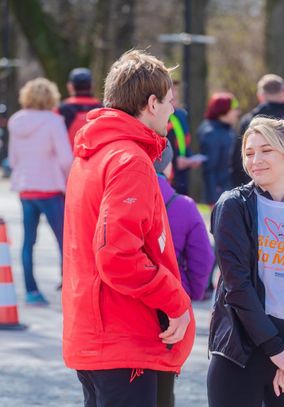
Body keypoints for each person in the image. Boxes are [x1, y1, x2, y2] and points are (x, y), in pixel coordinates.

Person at [62, 50, 195, 407]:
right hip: (125, 338)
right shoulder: (129, 159)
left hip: (98, 335)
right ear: (151, 103)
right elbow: (117, 256)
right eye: (169, 102)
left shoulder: (92, 154)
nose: (172, 111)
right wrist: (176, 301)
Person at [207, 118, 284, 407]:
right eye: (249, 153)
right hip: (241, 349)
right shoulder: (233, 206)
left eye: (266, 150)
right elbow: (237, 286)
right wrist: (276, 351)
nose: (256, 160)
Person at [153, 141, 214, 407]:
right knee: (163, 386)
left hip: (127, 302)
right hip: (171, 305)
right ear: (168, 166)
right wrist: (193, 292)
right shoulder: (184, 206)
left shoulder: (117, 197)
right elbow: (203, 258)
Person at [8, 77, 72, 304]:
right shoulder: (53, 121)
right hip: (51, 189)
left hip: (26, 189)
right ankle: (69, 287)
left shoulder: (15, 121)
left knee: (28, 242)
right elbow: (65, 159)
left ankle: (31, 291)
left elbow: (13, 159)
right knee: (64, 241)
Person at [231, 74, 284, 187]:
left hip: (254, 186)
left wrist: (240, 189)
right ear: (283, 93)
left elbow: (237, 159)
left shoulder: (249, 121)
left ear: (261, 95)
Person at [198, 92, 240, 205]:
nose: (237, 112)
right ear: (223, 110)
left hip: (230, 190)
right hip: (220, 193)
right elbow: (210, 168)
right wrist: (213, 198)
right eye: (234, 109)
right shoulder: (211, 133)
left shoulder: (228, 130)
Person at [166, 79, 200, 196]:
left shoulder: (181, 115)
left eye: (176, 90)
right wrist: (175, 160)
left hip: (182, 174)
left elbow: (184, 141)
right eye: (171, 90)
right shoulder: (160, 116)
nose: (175, 94)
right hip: (168, 174)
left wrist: (189, 158)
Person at [57, 68, 102, 149]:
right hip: (97, 155)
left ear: (70, 86)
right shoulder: (103, 109)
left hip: (69, 156)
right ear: (92, 86)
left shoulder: (60, 110)